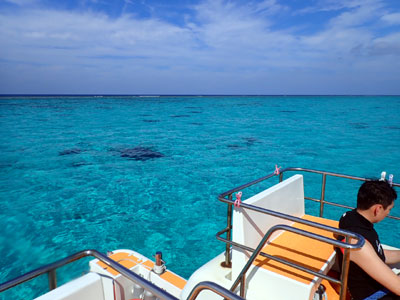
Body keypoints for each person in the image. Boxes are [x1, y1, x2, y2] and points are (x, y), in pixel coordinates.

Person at [337, 179, 400, 300]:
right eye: (389, 209)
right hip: (374, 296)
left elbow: (378, 254)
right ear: (378, 209)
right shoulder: (359, 244)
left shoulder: (349, 217)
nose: (388, 214)